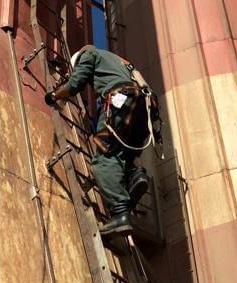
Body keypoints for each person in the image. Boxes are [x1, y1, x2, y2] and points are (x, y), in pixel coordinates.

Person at [45, 45, 160, 238]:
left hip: (121, 101)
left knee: (103, 161)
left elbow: (75, 83)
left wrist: (54, 95)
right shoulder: (119, 62)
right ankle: (135, 175)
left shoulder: (88, 55)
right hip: (145, 108)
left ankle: (120, 214)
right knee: (122, 152)